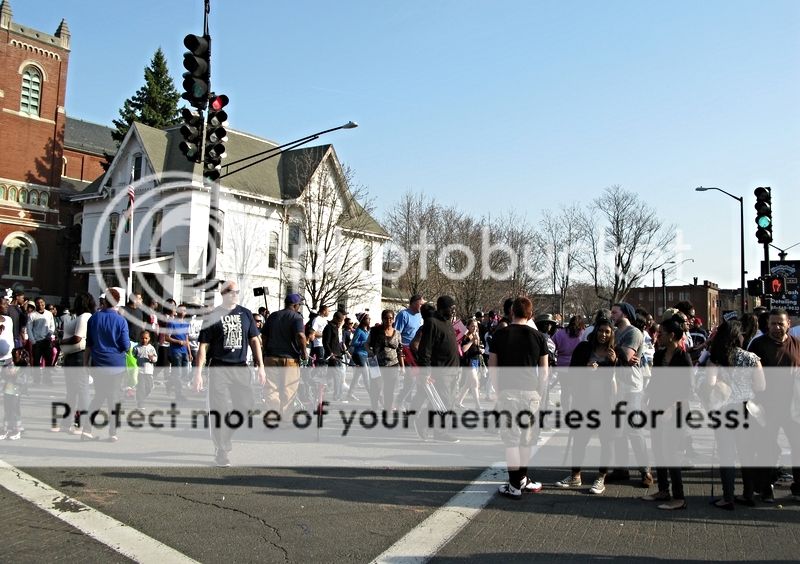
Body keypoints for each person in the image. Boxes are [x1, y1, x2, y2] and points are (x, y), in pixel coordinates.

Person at [192, 281, 266, 467]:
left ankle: (226, 438)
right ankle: (222, 449)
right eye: (231, 292)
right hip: (219, 369)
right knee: (220, 410)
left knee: (246, 407)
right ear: (223, 293)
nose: (235, 294)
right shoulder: (213, 315)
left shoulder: (246, 313)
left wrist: (261, 366)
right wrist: (198, 373)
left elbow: (255, 341)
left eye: (237, 292)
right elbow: (203, 347)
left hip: (240, 368)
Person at [489, 296, 549, 499]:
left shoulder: (500, 335)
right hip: (531, 392)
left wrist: (497, 391)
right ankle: (522, 478)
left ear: (511, 312)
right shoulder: (539, 337)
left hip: (508, 392)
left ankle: (514, 484)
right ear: (530, 314)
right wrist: (539, 393)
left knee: (511, 441)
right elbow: (544, 371)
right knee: (526, 440)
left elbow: (493, 368)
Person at [705, 320, 765, 509]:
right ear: (738, 336)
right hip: (747, 409)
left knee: (727, 454)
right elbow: (761, 386)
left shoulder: (716, 358)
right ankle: (748, 494)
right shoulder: (752, 358)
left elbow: (709, 383)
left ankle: (728, 497)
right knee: (747, 453)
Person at [555, 317, 617, 495]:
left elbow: (620, 379)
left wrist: (614, 363)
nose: (603, 335)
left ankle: (601, 477)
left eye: (607, 331)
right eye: (600, 330)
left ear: (612, 334)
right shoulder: (583, 348)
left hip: (606, 404)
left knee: (606, 441)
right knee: (580, 440)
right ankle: (575, 475)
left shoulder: (614, 352)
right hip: (584, 402)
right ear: (595, 331)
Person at [747, 308, 800, 503]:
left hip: (793, 407)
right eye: (773, 323)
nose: (777, 327)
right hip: (767, 406)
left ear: (789, 324)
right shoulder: (758, 345)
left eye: (780, 323)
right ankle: (765, 489)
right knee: (766, 448)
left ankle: (798, 488)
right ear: (767, 325)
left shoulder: (796, 345)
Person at [641, 318, 692, 510]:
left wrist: (670, 409)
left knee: (671, 454)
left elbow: (687, 390)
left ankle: (679, 498)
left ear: (672, 335)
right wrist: (646, 399)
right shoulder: (660, 353)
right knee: (659, 450)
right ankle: (663, 490)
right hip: (657, 408)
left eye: (661, 332)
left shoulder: (683, 357)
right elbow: (655, 381)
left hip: (675, 412)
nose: (657, 335)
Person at [607, 302, 653, 487]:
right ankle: (621, 469)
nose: (612, 315)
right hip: (616, 386)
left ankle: (645, 471)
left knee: (634, 429)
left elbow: (626, 356)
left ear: (625, 313)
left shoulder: (633, 332)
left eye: (615, 312)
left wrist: (615, 353)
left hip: (631, 387)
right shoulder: (616, 333)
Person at [82, 288, 130, 442]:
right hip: (116, 364)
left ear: (104, 300)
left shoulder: (94, 318)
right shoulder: (121, 320)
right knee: (113, 398)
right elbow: (125, 345)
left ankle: (87, 429)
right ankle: (112, 432)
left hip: (98, 363)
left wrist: (85, 362)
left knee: (98, 396)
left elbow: (89, 343)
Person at [413, 296, 460, 443]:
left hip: (453, 370)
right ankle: (440, 432)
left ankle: (422, 421)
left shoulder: (448, 323)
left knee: (449, 402)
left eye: (454, 308)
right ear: (442, 308)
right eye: (450, 308)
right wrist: (425, 373)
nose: (453, 311)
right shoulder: (432, 322)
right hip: (440, 371)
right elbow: (425, 350)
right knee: (443, 402)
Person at [53, 292, 94, 433]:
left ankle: (82, 424)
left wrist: (60, 341)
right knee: (72, 392)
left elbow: (77, 338)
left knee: (81, 391)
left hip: (78, 356)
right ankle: (67, 423)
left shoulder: (84, 317)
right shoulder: (82, 317)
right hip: (73, 356)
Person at [261, 293, 308, 417]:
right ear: (295, 305)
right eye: (299, 305)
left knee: (271, 390)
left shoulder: (273, 316)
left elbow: (264, 336)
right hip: (290, 359)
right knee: (288, 390)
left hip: (271, 357)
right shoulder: (296, 317)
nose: (299, 307)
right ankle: (285, 419)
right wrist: (304, 352)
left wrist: (264, 352)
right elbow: (301, 336)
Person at [368, 310, 405, 412]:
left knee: (390, 389)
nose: (388, 320)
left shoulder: (397, 333)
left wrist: (403, 367)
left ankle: (388, 409)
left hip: (393, 364)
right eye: (386, 318)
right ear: (382, 319)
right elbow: (367, 344)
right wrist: (370, 352)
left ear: (393, 319)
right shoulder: (375, 331)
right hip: (376, 364)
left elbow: (400, 350)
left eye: (390, 318)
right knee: (376, 388)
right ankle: (374, 408)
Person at [166, 303, 193, 401]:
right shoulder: (171, 322)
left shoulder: (186, 323)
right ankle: (179, 394)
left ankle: (169, 383)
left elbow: (186, 339)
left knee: (185, 372)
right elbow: (167, 337)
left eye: (184, 310)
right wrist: (178, 342)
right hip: (175, 351)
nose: (183, 312)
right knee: (178, 373)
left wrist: (189, 353)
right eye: (181, 310)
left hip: (184, 351)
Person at [456, 318, 484, 409]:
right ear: (468, 326)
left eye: (476, 326)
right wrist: (472, 341)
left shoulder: (476, 335)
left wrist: (481, 350)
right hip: (469, 361)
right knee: (475, 382)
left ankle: (458, 401)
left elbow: (477, 349)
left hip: (475, 361)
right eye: (472, 326)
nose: (474, 328)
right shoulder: (467, 336)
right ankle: (477, 405)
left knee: (468, 384)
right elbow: (464, 349)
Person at [28, 296, 55, 380]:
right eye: (38, 303)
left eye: (42, 302)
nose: (40, 304)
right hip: (37, 342)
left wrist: (50, 333)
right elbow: (29, 328)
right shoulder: (32, 315)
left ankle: (48, 380)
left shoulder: (49, 314)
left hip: (47, 341)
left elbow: (52, 326)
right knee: (36, 362)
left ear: (44, 303)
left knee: (48, 362)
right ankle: (36, 380)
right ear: (36, 304)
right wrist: (33, 341)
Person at [347, 313, 371, 404]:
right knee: (366, 377)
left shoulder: (367, 331)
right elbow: (353, 343)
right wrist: (364, 343)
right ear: (363, 320)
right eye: (368, 318)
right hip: (359, 355)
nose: (369, 320)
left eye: (369, 318)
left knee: (356, 377)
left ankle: (350, 394)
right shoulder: (358, 331)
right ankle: (373, 395)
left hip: (365, 355)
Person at [322, 311, 346, 401]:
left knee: (334, 375)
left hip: (338, 354)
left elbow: (337, 342)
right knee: (337, 376)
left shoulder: (336, 327)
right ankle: (337, 395)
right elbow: (326, 342)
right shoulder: (328, 328)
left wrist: (342, 350)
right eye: (340, 320)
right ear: (335, 318)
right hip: (333, 356)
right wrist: (330, 353)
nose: (341, 323)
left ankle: (327, 391)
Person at [134, 330, 158, 410]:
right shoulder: (136, 348)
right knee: (141, 387)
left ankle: (141, 397)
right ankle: (140, 402)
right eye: (142, 338)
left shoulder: (151, 348)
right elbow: (133, 358)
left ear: (149, 339)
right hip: (140, 371)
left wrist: (152, 358)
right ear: (140, 338)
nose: (144, 340)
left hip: (149, 371)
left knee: (149, 387)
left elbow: (155, 358)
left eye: (146, 338)